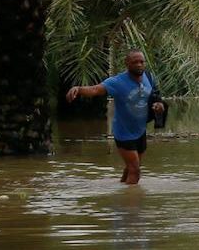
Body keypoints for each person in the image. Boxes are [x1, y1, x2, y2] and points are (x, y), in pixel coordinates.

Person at [66, 50, 164, 185]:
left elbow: (155, 97)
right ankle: (131, 203)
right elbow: (95, 89)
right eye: (135, 62)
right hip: (124, 133)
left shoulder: (149, 77)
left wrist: (158, 105)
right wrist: (79, 89)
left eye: (142, 61)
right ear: (127, 64)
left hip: (140, 131)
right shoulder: (117, 82)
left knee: (131, 168)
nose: (139, 65)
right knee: (135, 171)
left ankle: (121, 192)